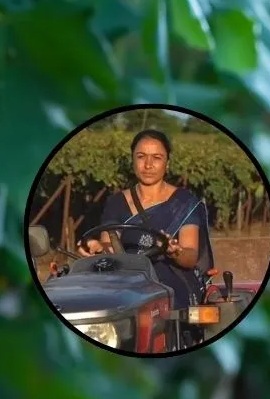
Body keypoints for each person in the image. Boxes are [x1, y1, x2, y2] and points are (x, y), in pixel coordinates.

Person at [76, 129, 214, 313]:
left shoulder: (184, 202)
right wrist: (97, 248)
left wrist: (174, 251)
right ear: (132, 160)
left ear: (167, 163)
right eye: (141, 156)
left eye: (156, 157)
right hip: (127, 285)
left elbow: (190, 257)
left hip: (172, 286)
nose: (148, 164)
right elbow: (109, 244)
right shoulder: (116, 202)